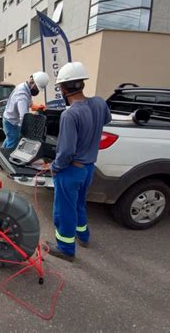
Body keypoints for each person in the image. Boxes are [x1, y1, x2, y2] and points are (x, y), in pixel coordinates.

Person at [46, 62, 111, 262]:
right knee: (79, 204)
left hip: (71, 171)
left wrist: (53, 168)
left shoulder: (70, 114)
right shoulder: (100, 103)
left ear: (64, 89)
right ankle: (83, 236)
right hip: (89, 168)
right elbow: (106, 121)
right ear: (82, 83)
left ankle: (65, 248)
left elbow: (66, 152)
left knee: (64, 210)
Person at [1, 71, 49, 149]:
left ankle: (0, 155)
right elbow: (23, 117)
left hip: (9, 119)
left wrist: (37, 107)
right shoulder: (22, 95)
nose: (37, 91)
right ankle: (6, 158)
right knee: (13, 142)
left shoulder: (25, 87)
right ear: (32, 82)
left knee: (9, 138)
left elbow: (29, 104)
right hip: (11, 122)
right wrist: (28, 131)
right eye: (37, 88)